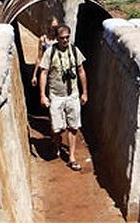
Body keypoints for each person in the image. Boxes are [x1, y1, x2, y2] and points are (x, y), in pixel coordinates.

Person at [39, 24, 88, 171]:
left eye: (67, 37)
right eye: (62, 38)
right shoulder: (50, 53)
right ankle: (57, 143)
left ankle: (71, 157)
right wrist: (43, 95)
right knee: (57, 128)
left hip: (72, 95)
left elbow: (81, 71)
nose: (65, 40)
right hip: (56, 96)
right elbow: (44, 73)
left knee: (73, 126)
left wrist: (84, 92)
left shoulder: (74, 51)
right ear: (57, 38)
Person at [31, 16, 59, 87]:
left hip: (57, 70)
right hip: (46, 70)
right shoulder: (43, 40)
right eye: (53, 27)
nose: (55, 29)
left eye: (56, 27)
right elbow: (39, 57)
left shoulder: (59, 39)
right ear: (49, 26)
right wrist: (34, 75)